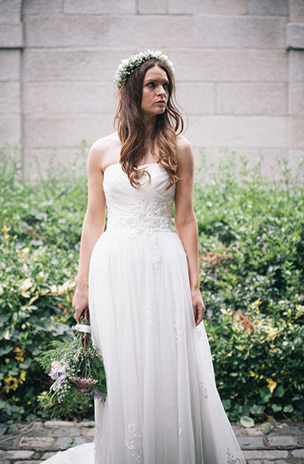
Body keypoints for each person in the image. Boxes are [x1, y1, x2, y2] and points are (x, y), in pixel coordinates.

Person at [43, 50, 246, 464]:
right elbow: (92, 220)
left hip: (162, 266)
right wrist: (81, 286)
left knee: (166, 364)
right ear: (131, 91)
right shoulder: (101, 150)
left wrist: (194, 283)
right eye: (152, 84)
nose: (162, 92)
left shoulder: (180, 149)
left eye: (166, 85)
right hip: (113, 269)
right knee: (122, 367)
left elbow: (186, 220)